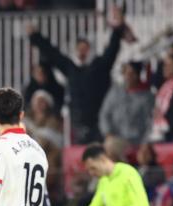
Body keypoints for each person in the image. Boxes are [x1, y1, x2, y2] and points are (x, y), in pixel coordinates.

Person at [28, 9, 129, 144]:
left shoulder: (100, 66)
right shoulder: (71, 68)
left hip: (99, 123)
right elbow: (53, 53)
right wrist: (35, 36)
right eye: (79, 48)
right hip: (77, 124)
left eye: (85, 48)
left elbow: (112, 48)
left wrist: (118, 28)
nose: (82, 52)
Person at [99, 61, 154, 145]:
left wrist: (145, 142)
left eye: (131, 73)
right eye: (125, 73)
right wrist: (107, 133)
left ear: (137, 75)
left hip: (136, 142)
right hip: (115, 140)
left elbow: (149, 120)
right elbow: (104, 114)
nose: (128, 76)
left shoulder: (146, 96)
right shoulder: (115, 92)